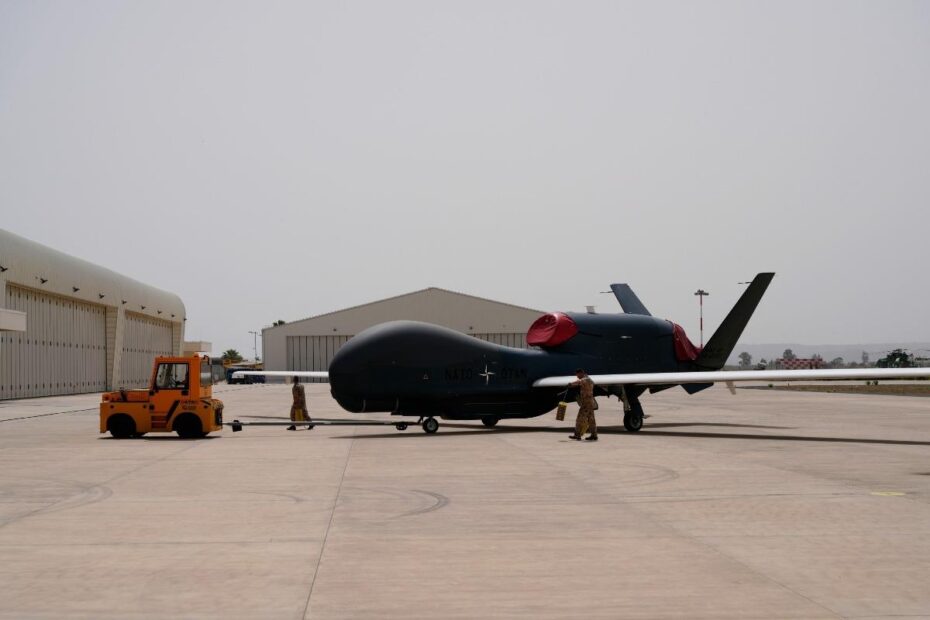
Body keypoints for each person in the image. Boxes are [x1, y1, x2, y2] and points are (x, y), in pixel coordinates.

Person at [568, 368, 598, 441]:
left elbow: (579, 382)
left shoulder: (585, 379)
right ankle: (594, 435)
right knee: (591, 420)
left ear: (581, 373)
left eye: (577, 375)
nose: (577, 376)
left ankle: (577, 435)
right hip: (590, 402)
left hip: (586, 403)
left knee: (580, 418)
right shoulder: (589, 379)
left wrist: (571, 384)